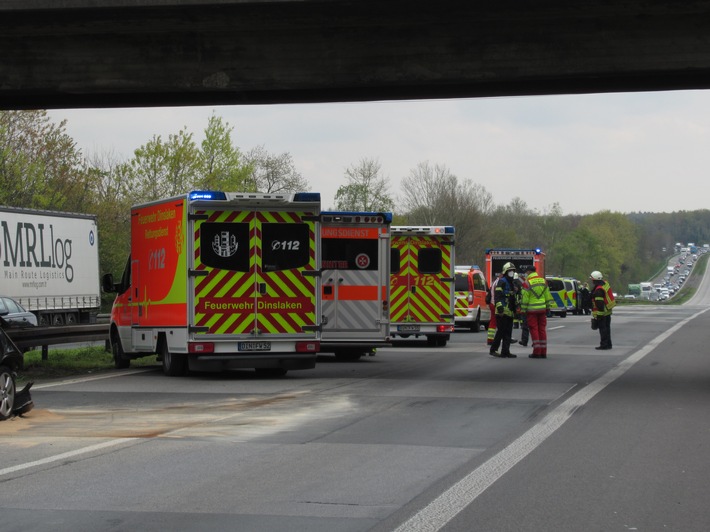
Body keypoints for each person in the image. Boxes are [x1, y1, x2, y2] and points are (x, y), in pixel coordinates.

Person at [520, 266, 553, 358]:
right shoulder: (543, 281)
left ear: (529, 272)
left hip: (532, 310)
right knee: (542, 329)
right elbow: (547, 295)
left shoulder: (527, 283)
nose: (526, 274)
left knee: (534, 329)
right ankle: (543, 352)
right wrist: (548, 307)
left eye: (526, 272)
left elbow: (525, 299)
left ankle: (537, 352)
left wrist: (523, 310)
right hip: (542, 309)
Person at [489, 262, 519, 358]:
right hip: (502, 312)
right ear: (506, 272)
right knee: (500, 332)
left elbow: (513, 297)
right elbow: (497, 296)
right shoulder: (502, 281)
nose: (512, 272)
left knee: (508, 333)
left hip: (509, 312)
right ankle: (493, 350)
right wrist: (500, 308)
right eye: (510, 271)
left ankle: (505, 351)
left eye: (513, 271)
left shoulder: (511, 283)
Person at [590, 270, 615, 350]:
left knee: (603, 329)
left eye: (592, 279)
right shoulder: (605, 284)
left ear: (594, 280)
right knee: (607, 328)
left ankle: (604, 345)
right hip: (608, 311)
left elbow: (600, 304)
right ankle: (608, 344)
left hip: (603, 312)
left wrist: (599, 315)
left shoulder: (598, 291)